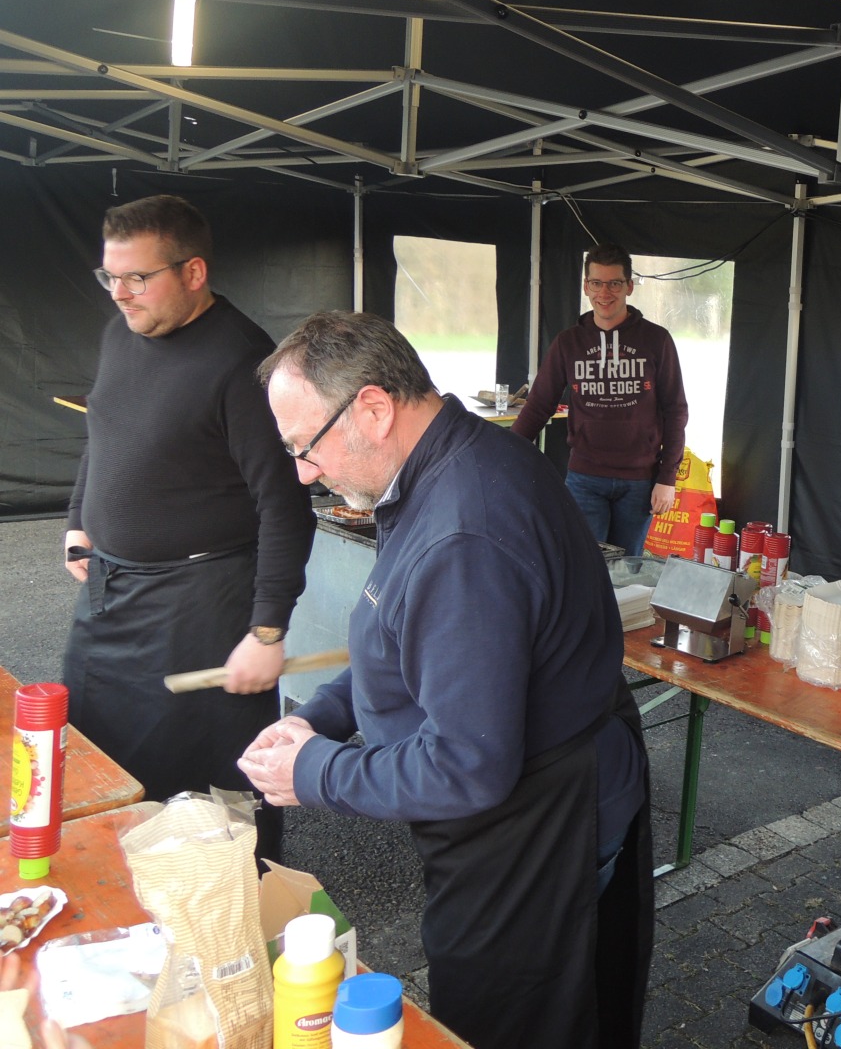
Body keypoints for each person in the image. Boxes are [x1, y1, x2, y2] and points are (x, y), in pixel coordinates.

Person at [239, 311, 652, 1049]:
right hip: (524, 791)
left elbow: (466, 765)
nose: (304, 471)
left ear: (373, 408)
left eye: (306, 447)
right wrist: (322, 716)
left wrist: (316, 772)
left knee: (514, 1018)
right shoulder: (445, 463)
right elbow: (407, 641)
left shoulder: (465, 531)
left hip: (537, 818)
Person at [62, 194, 313, 865]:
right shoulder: (122, 332)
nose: (120, 293)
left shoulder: (243, 363)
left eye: (137, 278)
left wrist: (267, 631)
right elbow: (102, 430)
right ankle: (124, 897)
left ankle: (235, 905)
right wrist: (80, 519)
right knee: (97, 754)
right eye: (110, 276)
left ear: (194, 272)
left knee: (204, 784)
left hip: (201, 604)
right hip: (111, 593)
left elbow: (285, 507)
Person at [510, 242, 688, 555]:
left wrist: (667, 479)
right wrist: (504, 453)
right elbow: (538, 406)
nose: (604, 293)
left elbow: (676, 411)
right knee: (585, 565)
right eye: (596, 283)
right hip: (585, 479)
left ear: (629, 286)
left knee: (628, 572)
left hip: (640, 481)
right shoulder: (568, 343)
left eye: (614, 283)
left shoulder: (656, 340)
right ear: (586, 286)